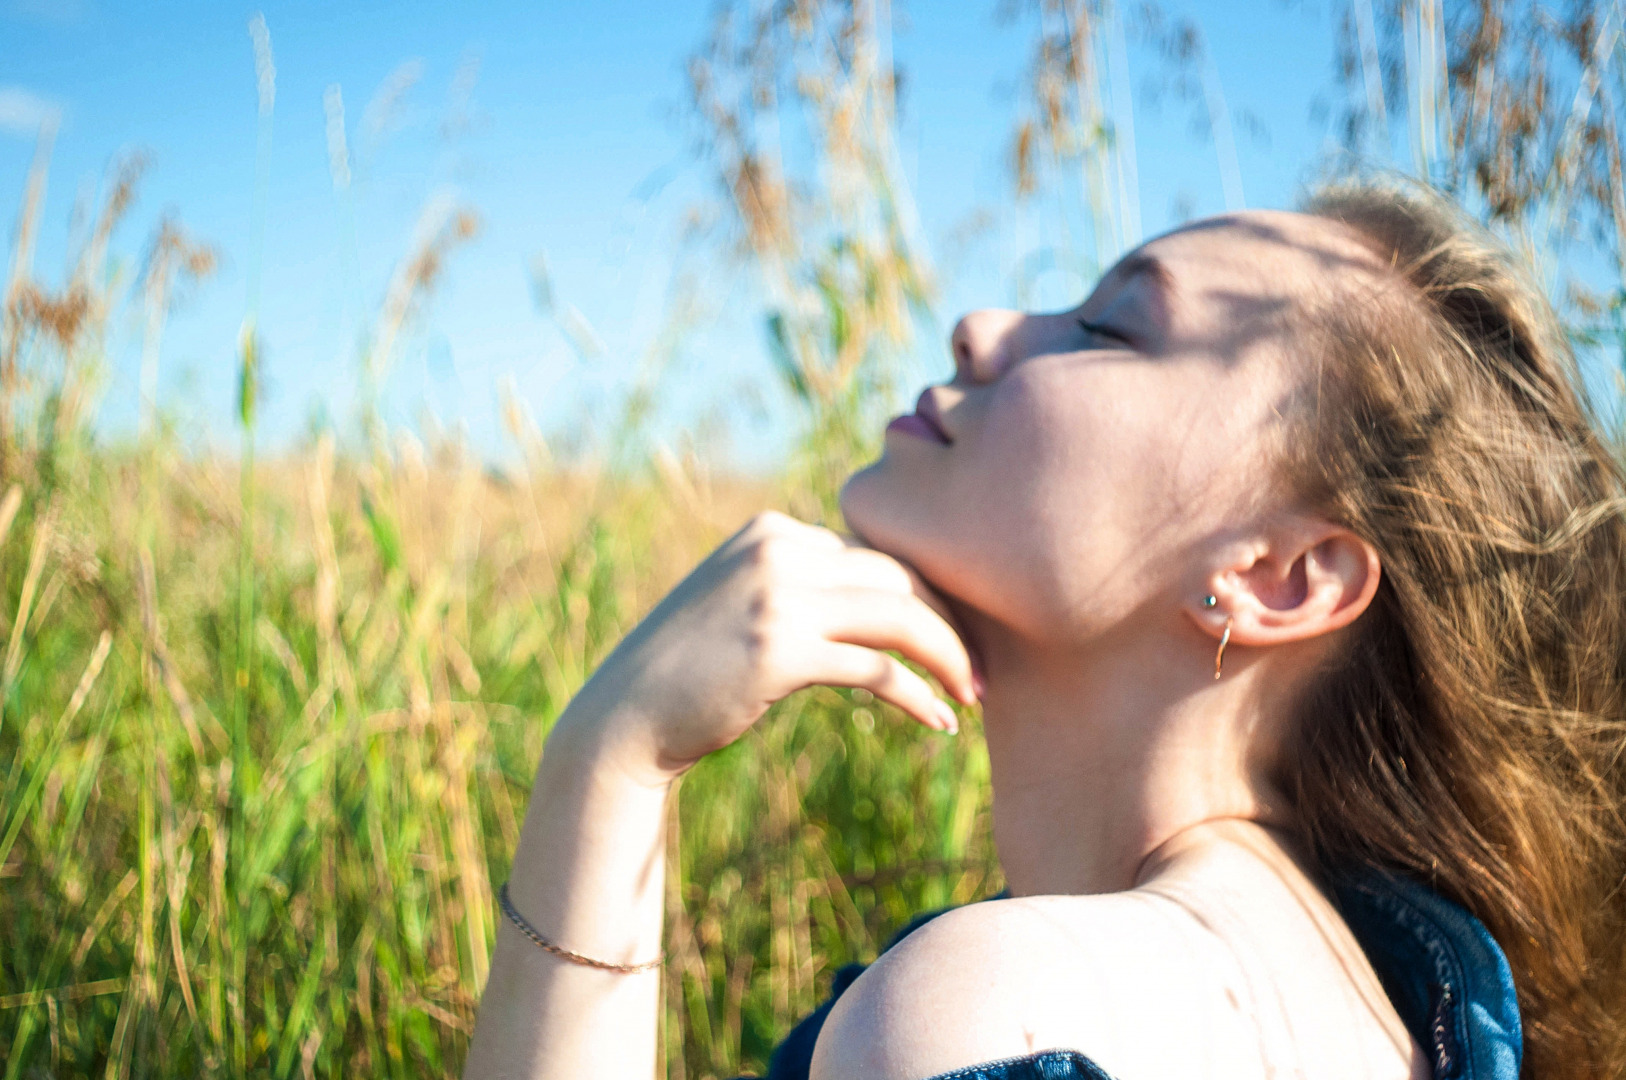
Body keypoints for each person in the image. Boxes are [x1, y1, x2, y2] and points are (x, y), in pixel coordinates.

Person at [461, 179, 1626, 1080]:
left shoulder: (992, 1010)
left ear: (1280, 577)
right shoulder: (1407, 990)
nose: (981, 325)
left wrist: (603, 761)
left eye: (1110, 327)